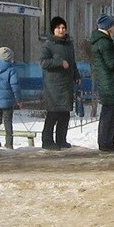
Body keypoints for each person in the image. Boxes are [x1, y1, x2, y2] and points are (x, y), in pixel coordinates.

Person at [90, 14, 114, 153]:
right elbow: (112, 64)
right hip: (110, 83)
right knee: (110, 114)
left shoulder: (101, 41)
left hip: (106, 82)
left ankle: (107, 142)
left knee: (110, 113)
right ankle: (106, 143)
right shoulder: (105, 43)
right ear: (109, 27)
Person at [40, 16, 80, 150]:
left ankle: (61, 140)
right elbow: (43, 62)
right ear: (53, 30)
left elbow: (72, 62)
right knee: (53, 114)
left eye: (63, 27)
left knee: (65, 114)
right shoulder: (48, 45)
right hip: (53, 86)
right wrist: (59, 62)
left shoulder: (69, 45)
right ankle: (47, 141)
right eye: (58, 28)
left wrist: (76, 76)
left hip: (66, 85)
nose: (61, 30)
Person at [0, 47, 21, 149]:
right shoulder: (11, 70)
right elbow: (15, 86)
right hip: (7, 101)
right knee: (7, 121)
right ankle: (9, 143)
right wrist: (19, 100)